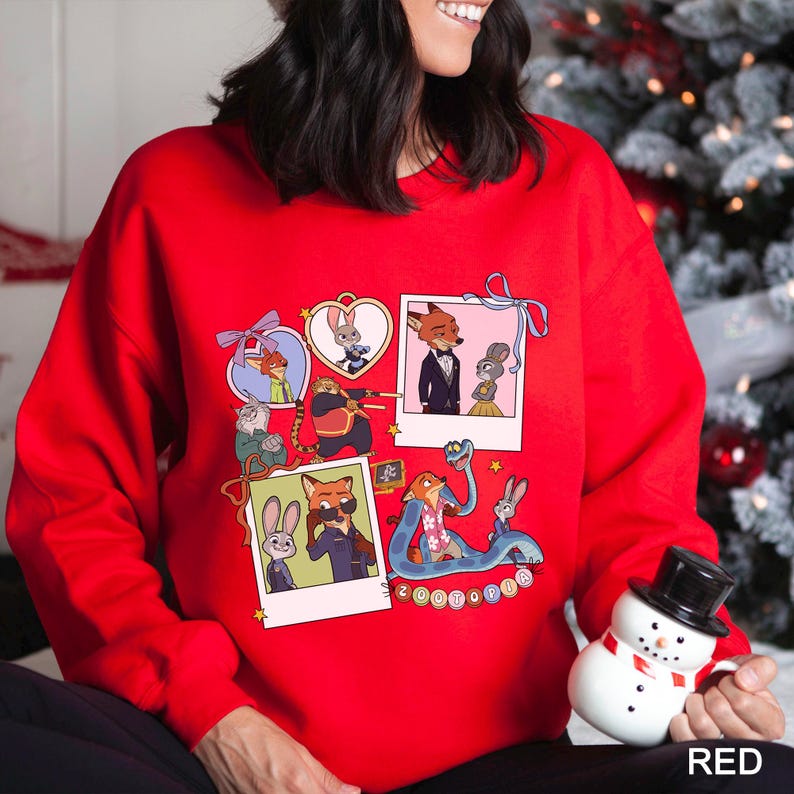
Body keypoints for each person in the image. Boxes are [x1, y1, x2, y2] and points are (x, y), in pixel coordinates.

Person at [3, 1, 791, 792]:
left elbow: (637, 502)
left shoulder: (567, 187)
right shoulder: (172, 189)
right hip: (225, 759)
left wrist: (700, 666)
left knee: (760, 774)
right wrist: (215, 720)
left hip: (495, 767)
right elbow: (71, 496)